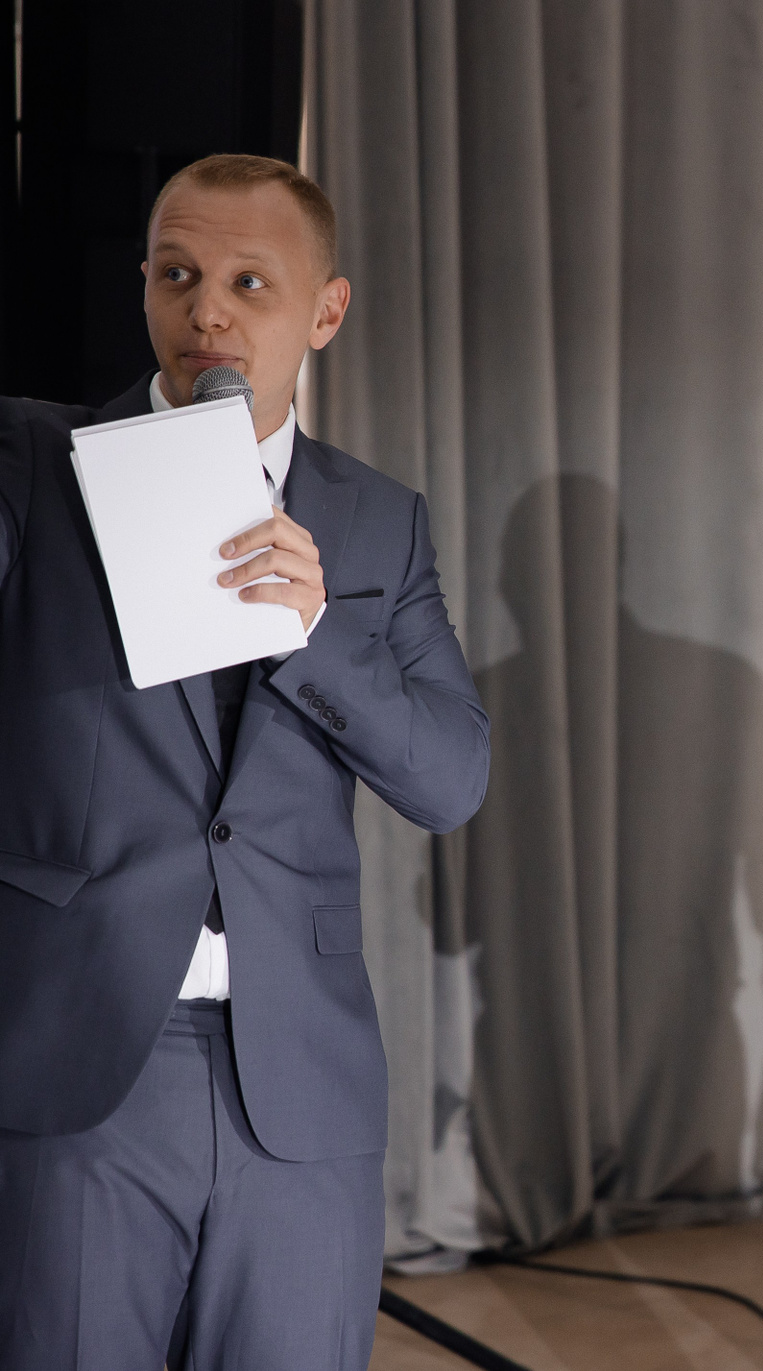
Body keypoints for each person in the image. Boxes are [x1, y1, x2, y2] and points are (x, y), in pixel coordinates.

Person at [0, 155, 488, 1369]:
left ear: (325, 311)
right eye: (176, 275)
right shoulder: (33, 466)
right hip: (80, 1060)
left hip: (301, 1076)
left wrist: (317, 635)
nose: (205, 311)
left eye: (247, 283)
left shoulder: (378, 520)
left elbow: (450, 780)